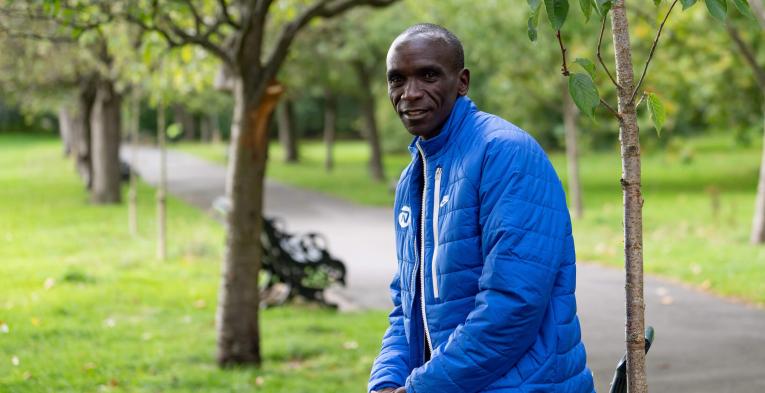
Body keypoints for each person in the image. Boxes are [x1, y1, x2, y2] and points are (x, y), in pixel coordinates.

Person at [368, 24, 595, 393]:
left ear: (462, 82)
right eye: (397, 79)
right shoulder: (415, 175)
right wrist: (385, 381)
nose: (410, 93)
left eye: (428, 75)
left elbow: (512, 306)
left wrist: (420, 388)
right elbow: (406, 304)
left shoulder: (505, 154)